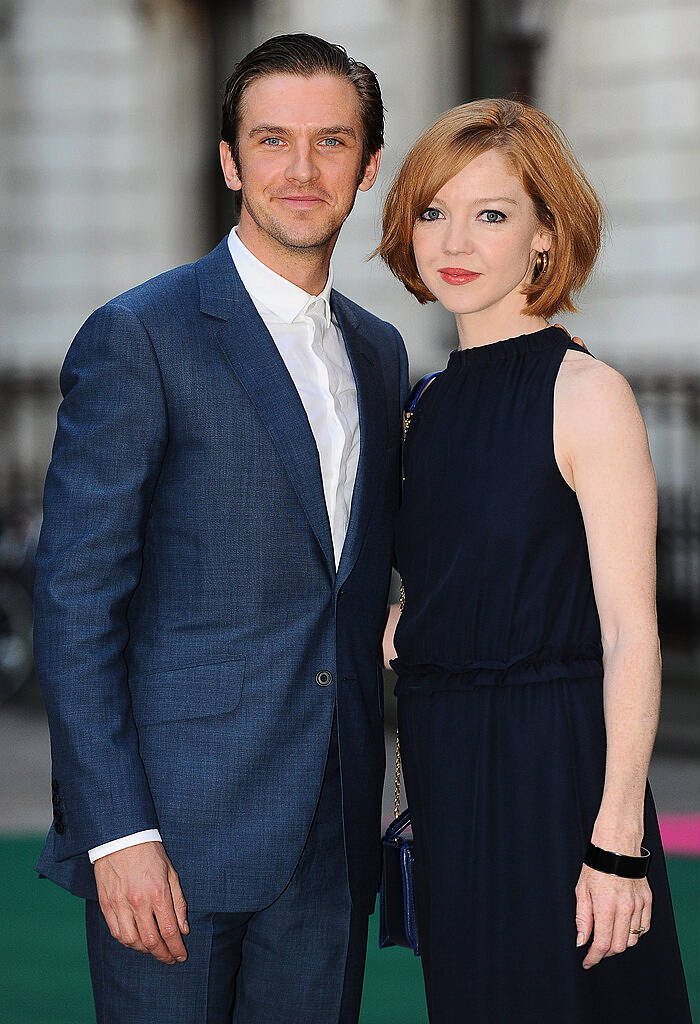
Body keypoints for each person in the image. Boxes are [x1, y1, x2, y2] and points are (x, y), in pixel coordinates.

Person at [34, 33, 408, 1024]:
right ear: (229, 160)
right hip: (174, 838)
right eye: (272, 139)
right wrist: (117, 834)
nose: (300, 170)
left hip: (331, 836)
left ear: (368, 167)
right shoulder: (140, 336)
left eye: (331, 142)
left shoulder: (380, 353)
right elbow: (74, 604)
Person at [379, 98, 692, 1023]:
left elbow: (632, 628)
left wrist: (618, 839)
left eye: (492, 213)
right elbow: (449, 576)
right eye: (432, 212)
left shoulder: (587, 394)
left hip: (555, 768)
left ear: (545, 237)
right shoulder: (423, 404)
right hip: (445, 763)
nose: (453, 241)